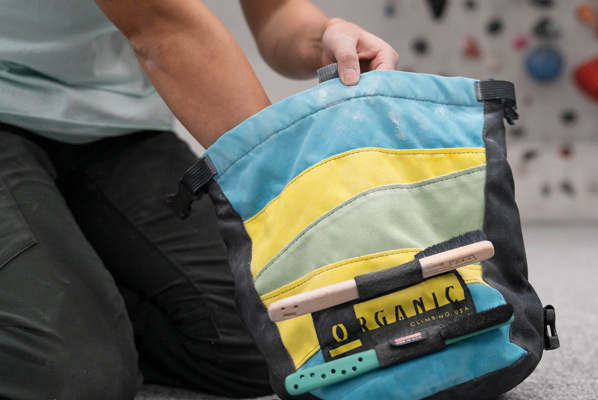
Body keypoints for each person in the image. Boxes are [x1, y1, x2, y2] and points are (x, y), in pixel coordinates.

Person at [0, 0, 398, 398]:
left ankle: (77, 300)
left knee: (267, 348)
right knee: (73, 379)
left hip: (113, 123)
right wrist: (294, 215)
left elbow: (276, 12)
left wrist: (325, 34)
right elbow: (163, 26)